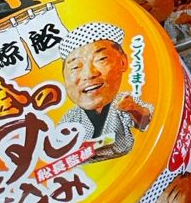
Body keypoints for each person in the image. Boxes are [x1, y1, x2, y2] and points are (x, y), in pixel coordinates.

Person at [59, 23, 153, 161]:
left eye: (101, 59)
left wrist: (134, 109)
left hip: (134, 159)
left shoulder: (125, 100)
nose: (89, 74)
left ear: (123, 62)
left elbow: (149, 122)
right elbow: (58, 150)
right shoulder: (70, 118)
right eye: (75, 67)